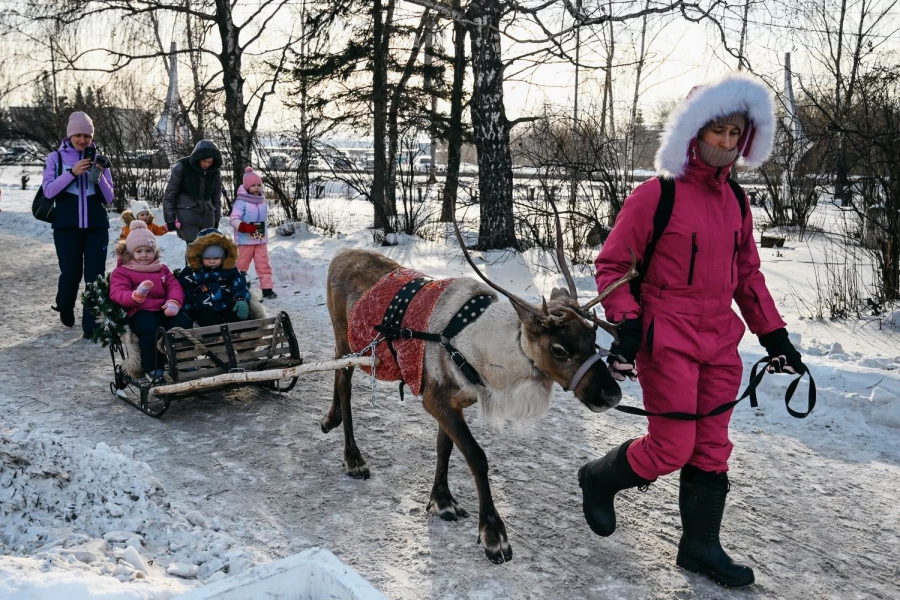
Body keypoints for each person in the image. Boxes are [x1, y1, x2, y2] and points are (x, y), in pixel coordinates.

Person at [580, 72, 806, 588]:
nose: (727, 143)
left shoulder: (738, 203)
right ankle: (598, 478)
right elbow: (613, 266)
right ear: (694, 133)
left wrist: (775, 336)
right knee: (671, 446)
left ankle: (700, 547)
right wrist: (628, 322)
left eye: (735, 134)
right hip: (667, 339)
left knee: (711, 449)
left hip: (720, 342)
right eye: (717, 132)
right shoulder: (656, 195)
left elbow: (747, 276)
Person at [43, 111, 114, 337]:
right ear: (70, 135)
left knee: (95, 275)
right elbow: (49, 190)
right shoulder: (56, 158)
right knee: (71, 273)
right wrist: (72, 173)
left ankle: (91, 325)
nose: (83, 140)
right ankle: (65, 304)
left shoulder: (100, 158)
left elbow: (110, 197)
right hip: (66, 227)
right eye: (78, 135)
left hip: (96, 227)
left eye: (87, 135)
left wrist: (100, 173)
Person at [108, 220, 191, 379]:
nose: (144, 255)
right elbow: (118, 293)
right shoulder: (123, 272)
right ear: (131, 253)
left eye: (148, 250)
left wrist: (173, 302)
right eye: (139, 251)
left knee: (182, 323)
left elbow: (174, 286)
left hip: (163, 308)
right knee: (151, 329)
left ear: (154, 251)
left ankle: (184, 361)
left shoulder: (162, 269)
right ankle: (154, 368)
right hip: (140, 311)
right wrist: (135, 296)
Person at [178, 228, 251, 327]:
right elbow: (186, 290)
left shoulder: (230, 270)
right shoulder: (191, 272)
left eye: (216, 258)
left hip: (227, 305)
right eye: (207, 258)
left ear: (223, 256)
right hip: (203, 309)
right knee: (208, 320)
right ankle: (214, 339)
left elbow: (239, 285)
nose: (212, 261)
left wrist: (241, 300)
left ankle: (244, 336)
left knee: (239, 316)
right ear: (200, 256)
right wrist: (188, 310)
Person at [162, 140, 223, 243]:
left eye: (210, 162)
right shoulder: (183, 166)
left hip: (207, 216)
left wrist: (216, 219)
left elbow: (216, 196)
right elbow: (170, 194)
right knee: (192, 249)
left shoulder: (214, 172)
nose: (207, 164)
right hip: (187, 214)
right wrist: (170, 219)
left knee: (207, 250)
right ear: (198, 158)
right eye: (204, 161)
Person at [230, 167, 276, 299]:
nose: (256, 188)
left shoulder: (262, 201)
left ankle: (267, 289)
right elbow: (233, 219)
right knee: (241, 265)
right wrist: (243, 226)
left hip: (260, 240)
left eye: (259, 185)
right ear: (246, 187)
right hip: (245, 241)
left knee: (264, 265)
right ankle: (238, 286)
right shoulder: (241, 202)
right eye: (253, 185)